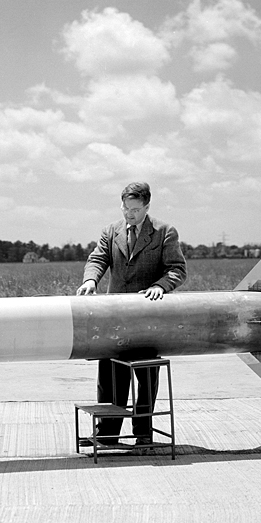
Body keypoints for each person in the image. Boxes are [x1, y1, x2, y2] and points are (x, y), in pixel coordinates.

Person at [76, 181, 187, 445]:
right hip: (114, 317)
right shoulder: (111, 230)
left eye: (135, 210)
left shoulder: (164, 232)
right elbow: (98, 258)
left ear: (147, 207)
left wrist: (160, 286)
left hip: (147, 319)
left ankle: (143, 434)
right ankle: (107, 434)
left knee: (146, 380)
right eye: (125, 208)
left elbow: (177, 269)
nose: (129, 214)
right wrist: (91, 280)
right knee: (110, 376)